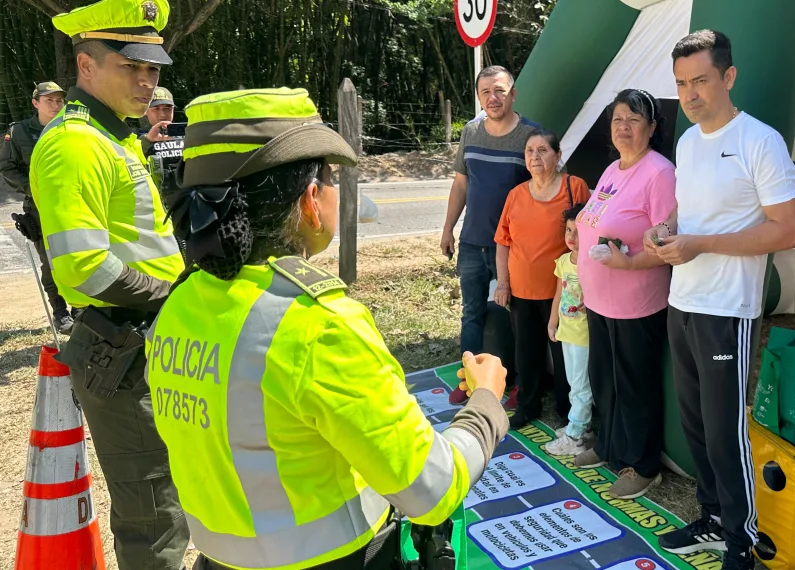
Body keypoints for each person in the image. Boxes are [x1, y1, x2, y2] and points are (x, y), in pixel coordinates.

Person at [150, 87, 511, 570]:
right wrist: (485, 405)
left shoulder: (179, 302)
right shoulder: (316, 325)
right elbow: (433, 490)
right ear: (310, 201)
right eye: (329, 176)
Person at [28, 1, 190, 567]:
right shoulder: (74, 143)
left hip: (152, 341)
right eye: (131, 67)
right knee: (155, 519)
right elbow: (83, 269)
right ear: (86, 65)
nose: (147, 81)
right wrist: (177, 294)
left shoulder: (118, 136)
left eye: (154, 69)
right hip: (123, 354)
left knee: (179, 496)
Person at [645, 30, 795, 569]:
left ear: (728, 77)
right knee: (694, 423)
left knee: (724, 431)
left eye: (700, 81)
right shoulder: (688, 141)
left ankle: (743, 542)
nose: (689, 94)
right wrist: (664, 230)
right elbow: (688, 215)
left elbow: (788, 229)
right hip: (683, 299)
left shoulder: (761, 140)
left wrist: (701, 244)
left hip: (727, 308)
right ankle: (713, 517)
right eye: (681, 84)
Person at [574, 88, 677, 500]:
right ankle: (609, 445)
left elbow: (668, 244)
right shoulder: (612, 169)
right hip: (600, 299)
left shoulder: (659, 173)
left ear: (651, 128)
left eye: (634, 120)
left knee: (636, 384)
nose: (624, 127)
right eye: (618, 119)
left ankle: (642, 464)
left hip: (637, 302)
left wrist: (628, 262)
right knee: (606, 378)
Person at [441, 65, 540, 406]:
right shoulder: (470, 131)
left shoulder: (531, 136)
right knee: (471, 313)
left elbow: (544, 187)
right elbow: (461, 183)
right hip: (471, 242)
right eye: (485, 92)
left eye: (499, 90)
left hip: (513, 248)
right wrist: (448, 229)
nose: (492, 98)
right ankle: (469, 380)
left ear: (513, 93)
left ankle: (516, 384)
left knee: (516, 315)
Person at [493, 129, 590, 429]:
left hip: (562, 293)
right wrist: (503, 283)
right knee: (526, 351)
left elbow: (590, 233)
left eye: (542, 150)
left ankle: (567, 408)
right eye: (529, 151)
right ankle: (528, 404)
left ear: (558, 155)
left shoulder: (575, 188)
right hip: (521, 290)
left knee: (565, 355)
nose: (535, 156)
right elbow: (503, 242)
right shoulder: (516, 195)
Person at [1, 81, 73, 332]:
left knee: (81, 255)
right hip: (40, 207)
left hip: (74, 203)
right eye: (49, 100)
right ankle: (61, 312)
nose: (55, 105)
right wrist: (33, 188)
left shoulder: (72, 128)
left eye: (59, 100)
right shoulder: (19, 132)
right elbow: (7, 168)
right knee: (51, 260)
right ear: (35, 103)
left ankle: (84, 310)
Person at [545, 203, 593, 456]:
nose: (572, 237)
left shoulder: (592, 262)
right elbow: (558, 294)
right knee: (574, 383)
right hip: (567, 332)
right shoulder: (563, 261)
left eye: (579, 231)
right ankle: (581, 426)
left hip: (584, 336)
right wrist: (553, 322)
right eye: (568, 230)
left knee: (581, 385)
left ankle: (575, 436)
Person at [136, 86, 184, 191]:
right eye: (156, 109)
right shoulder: (135, 138)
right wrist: (147, 140)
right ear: (146, 111)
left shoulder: (185, 135)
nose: (162, 114)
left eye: (167, 108)